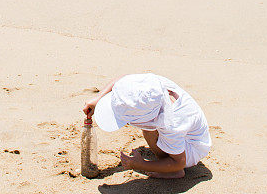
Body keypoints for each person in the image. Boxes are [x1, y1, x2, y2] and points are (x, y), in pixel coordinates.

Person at [83, 72, 211, 178]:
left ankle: (172, 173)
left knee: (148, 132)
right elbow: (121, 80)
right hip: (183, 130)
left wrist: (141, 165)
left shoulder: (171, 124)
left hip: (193, 146)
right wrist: (99, 99)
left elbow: (179, 162)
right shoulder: (151, 86)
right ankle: (167, 154)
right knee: (150, 130)